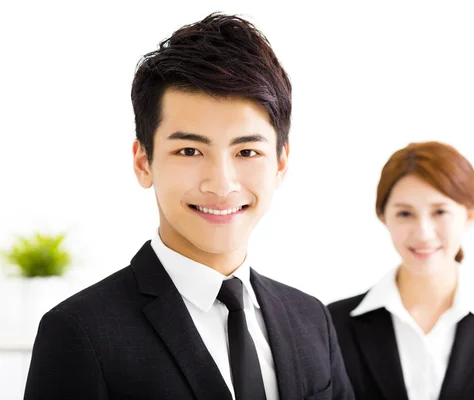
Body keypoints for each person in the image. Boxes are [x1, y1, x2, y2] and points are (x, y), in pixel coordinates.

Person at [24, 12, 354, 400]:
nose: (221, 183)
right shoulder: (80, 332)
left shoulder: (312, 319)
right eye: (189, 150)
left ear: (280, 163)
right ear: (143, 161)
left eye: (247, 151)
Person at [328, 141, 474, 400]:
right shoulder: (334, 324)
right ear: (383, 217)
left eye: (440, 211)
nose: (423, 233)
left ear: (470, 214)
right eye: (405, 214)